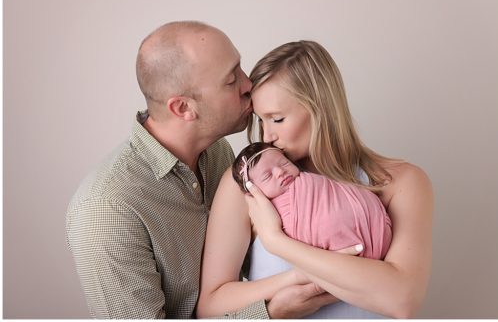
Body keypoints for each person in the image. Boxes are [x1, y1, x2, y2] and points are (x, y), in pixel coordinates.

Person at [65, 22, 318, 318]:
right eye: (230, 80)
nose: (248, 84)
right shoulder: (106, 210)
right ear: (183, 108)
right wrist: (269, 314)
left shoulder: (217, 152)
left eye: (240, 67)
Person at [198, 41, 433, 319]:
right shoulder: (248, 185)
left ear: (321, 109)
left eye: (277, 119)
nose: (267, 137)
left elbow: (402, 299)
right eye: (260, 121)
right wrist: (286, 290)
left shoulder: (401, 182)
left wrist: (278, 242)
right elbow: (211, 307)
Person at [232, 142, 392, 258]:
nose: (280, 172)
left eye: (284, 163)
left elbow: (335, 191)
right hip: (349, 263)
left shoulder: (310, 179)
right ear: (253, 190)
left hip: (377, 228)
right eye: (267, 176)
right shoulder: (267, 211)